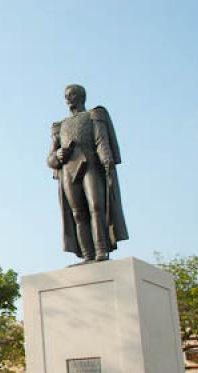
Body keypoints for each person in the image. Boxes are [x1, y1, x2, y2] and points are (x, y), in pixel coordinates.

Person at [47, 84, 128, 263]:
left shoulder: (94, 115)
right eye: (66, 95)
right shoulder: (59, 126)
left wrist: (106, 159)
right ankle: (87, 255)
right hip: (68, 170)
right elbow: (50, 159)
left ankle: (101, 250)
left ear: (81, 96)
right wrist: (57, 155)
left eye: (72, 94)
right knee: (77, 213)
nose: (68, 98)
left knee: (97, 206)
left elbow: (101, 141)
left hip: (90, 164)